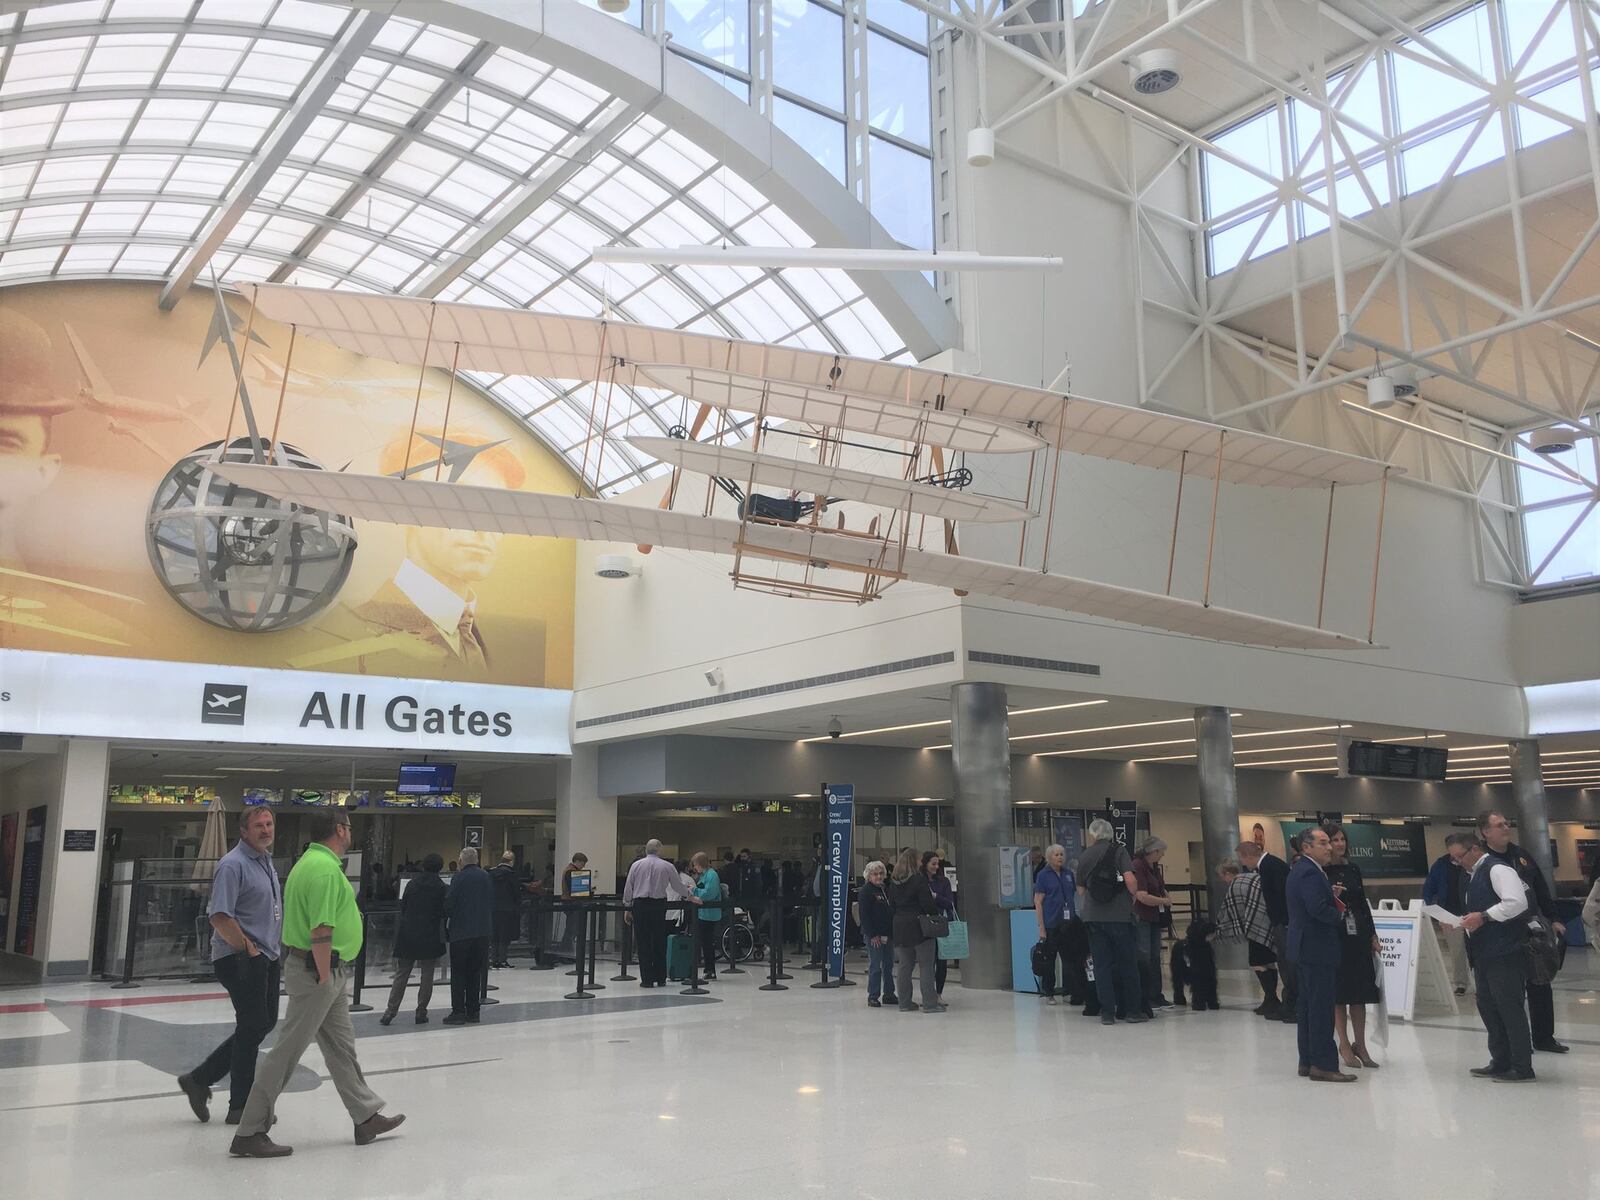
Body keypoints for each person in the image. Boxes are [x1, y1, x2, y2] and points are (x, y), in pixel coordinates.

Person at [227, 808, 403, 1157]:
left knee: (341, 1047)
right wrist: (323, 973)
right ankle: (249, 1130)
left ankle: (365, 1116)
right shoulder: (323, 870)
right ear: (340, 830)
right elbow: (321, 929)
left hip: (325, 972)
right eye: (349, 827)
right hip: (319, 972)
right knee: (287, 1051)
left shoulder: (310, 863)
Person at [300, 428, 530, 681]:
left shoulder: (489, 643)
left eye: (501, 510)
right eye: (461, 502)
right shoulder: (350, 626)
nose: (483, 527)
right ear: (407, 508)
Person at [177, 807, 283, 1126]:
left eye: (269, 824)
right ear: (243, 831)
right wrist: (248, 950)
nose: (266, 830)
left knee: (261, 1024)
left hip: (267, 955)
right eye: (258, 826)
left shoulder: (265, 862)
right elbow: (220, 916)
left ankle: (199, 1078)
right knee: (252, 1028)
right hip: (241, 958)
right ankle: (240, 1106)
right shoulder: (232, 865)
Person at [1477, 810, 1567, 1054]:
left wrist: (1554, 918)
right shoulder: (1483, 861)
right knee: (1508, 993)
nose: (1506, 828)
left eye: (1507, 823)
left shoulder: (1520, 856)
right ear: (1485, 832)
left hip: (1532, 930)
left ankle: (1544, 1036)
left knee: (1540, 981)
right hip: (1502, 933)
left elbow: (1540, 889)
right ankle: (1515, 1044)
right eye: (1499, 825)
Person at [1457, 834, 1535, 1083]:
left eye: (1459, 856)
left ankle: (1522, 1066)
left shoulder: (1498, 869)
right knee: (1489, 1007)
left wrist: (1484, 917)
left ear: (1473, 850)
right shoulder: (1472, 876)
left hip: (1505, 952)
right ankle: (1500, 1060)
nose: (1457, 862)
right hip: (1484, 953)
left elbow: (1517, 903)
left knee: (1509, 1008)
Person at [1286, 826, 1355, 1083]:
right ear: (1306, 847)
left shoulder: (1304, 870)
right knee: (1321, 1008)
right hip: (1316, 949)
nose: (1329, 847)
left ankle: (1307, 1060)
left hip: (1304, 948)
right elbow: (1317, 909)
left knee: (1307, 1007)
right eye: (1324, 843)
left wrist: (1329, 895)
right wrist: (1338, 914)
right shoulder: (1310, 873)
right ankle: (1324, 1064)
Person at [1321, 825, 1381, 1069]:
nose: (1339, 844)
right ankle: (1343, 1043)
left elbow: (1363, 904)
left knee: (1360, 993)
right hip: (1335, 934)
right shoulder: (1321, 871)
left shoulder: (1353, 868)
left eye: (1342, 839)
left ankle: (1361, 1044)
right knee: (1340, 994)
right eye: (1334, 840)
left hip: (1357, 934)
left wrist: (1373, 934)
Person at [1076, 820, 1145, 1026]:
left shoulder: (1085, 855)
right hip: (1120, 916)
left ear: (1092, 835)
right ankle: (1132, 1011)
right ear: (1110, 833)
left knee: (1101, 965)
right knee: (1128, 963)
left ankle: (1107, 1013)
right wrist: (1132, 895)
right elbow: (1130, 880)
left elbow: (1080, 890)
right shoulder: (1119, 851)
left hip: (1093, 917)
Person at [381, 853, 446, 1026]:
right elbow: (443, 910)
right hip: (430, 934)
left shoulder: (412, 883)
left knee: (402, 973)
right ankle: (421, 1011)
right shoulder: (441, 887)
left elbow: (404, 906)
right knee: (427, 974)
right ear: (440, 867)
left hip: (408, 932)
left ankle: (390, 1011)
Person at [1240, 839, 1296, 1023]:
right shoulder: (1269, 865)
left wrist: (1280, 921)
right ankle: (1288, 1004)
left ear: (1248, 856)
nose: (1243, 864)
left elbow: (1282, 895)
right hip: (1281, 921)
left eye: (1242, 859)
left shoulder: (1270, 866)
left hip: (1284, 922)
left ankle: (1291, 1006)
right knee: (1284, 962)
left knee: (1288, 964)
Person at [1216, 858, 1278, 1016]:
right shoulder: (1254, 877)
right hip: (1268, 925)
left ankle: (1271, 999)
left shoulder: (1236, 884)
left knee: (1258, 962)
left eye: (1222, 876)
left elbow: (1231, 909)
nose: (1223, 881)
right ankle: (1271, 999)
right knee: (1270, 962)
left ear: (1228, 873)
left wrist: (1220, 927)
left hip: (1254, 928)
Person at [623, 839, 687, 988]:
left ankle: (647, 980)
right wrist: (690, 895)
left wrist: (627, 907)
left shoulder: (636, 865)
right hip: (658, 906)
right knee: (659, 941)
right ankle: (661, 977)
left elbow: (629, 887)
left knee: (643, 942)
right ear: (659, 850)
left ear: (646, 850)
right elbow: (677, 886)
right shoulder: (667, 866)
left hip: (640, 905)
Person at [889, 848, 944, 1012]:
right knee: (926, 965)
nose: (921, 863)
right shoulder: (919, 880)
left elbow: (891, 905)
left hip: (899, 926)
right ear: (914, 861)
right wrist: (935, 912)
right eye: (920, 860)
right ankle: (930, 1004)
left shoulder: (893, 881)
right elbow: (928, 905)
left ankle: (904, 1003)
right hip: (919, 927)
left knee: (904, 966)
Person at [443, 847, 492, 1025]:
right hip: (482, 932)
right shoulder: (486, 876)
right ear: (477, 859)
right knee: (475, 972)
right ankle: (473, 1011)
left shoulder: (459, 877)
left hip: (461, 932)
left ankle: (458, 1012)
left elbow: (450, 902)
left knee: (458, 973)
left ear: (461, 860)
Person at [1032, 844, 1083, 1006]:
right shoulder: (1043, 875)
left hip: (1069, 924)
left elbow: (1078, 893)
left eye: (1062, 854)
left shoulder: (1068, 874)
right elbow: (1038, 901)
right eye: (1056, 855)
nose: (1060, 857)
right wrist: (1041, 927)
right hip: (1051, 924)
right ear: (1049, 857)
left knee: (1072, 959)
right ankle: (1049, 992)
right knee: (1050, 959)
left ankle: (1073, 991)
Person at [1423, 834, 1473, 995]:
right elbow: (1428, 889)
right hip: (1450, 916)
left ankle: (1482, 983)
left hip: (1473, 914)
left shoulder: (1471, 863)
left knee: (1477, 950)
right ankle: (1460, 983)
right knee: (1457, 951)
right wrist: (1435, 913)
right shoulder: (1441, 865)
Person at [1130, 837, 1175, 1010]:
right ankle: (1145, 996)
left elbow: (1159, 887)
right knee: (1144, 956)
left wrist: (1164, 897)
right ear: (1153, 851)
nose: (1163, 855)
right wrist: (1163, 901)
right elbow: (1141, 895)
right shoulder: (1138, 866)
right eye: (1161, 852)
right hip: (1142, 917)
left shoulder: (1154, 868)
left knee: (1156, 956)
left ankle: (1157, 994)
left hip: (1155, 917)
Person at [856, 861, 897, 1008]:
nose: (878, 876)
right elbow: (864, 915)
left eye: (880, 873)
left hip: (888, 934)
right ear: (869, 876)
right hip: (874, 935)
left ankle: (889, 994)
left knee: (888, 965)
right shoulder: (866, 891)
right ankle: (873, 995)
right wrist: (872, 934)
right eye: (875, 874)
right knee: (875, 965)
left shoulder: (886, 889)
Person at [923, 850, 956, 1002]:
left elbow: (950, 903)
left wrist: (935, 897)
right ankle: (928, 992)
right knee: (927, 960)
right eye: (933, 863)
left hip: (941, 924)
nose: (936, 866)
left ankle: (939, 993)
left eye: (937, 864)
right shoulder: (920, 881)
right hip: (924, 924)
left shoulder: (944, 882)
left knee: (941, 960)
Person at [688, 851, 722, 979]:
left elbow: (709, 893)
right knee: (705, 942)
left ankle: (710, 969)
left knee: (708, 943)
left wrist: (695, 890)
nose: (695, 868)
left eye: (695, 865)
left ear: (700, 864)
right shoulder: (704, 875)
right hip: (703, 914)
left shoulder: (712, 875)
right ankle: (708, 969)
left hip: (710, 914)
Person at [489, 851, 521, 968]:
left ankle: (494, 960)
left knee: (494, 934)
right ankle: (503, 960)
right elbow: (516, 892)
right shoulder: (511, 875)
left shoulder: (491, 873)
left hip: (493, 908)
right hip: (507, 908)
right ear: (511, 861)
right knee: (504, 935)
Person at [557, 852, 589, 950]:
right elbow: (574, 889)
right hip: (572, 903)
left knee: (571, 928)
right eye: (583, 864)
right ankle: (566, 951)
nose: (583, 867)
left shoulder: (568, 870)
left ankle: (566, 951)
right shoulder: (571, 872)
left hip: (568, 901)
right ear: (578, 861)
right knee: (571, 929)